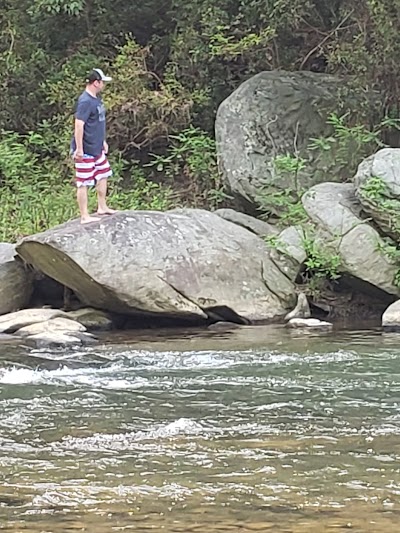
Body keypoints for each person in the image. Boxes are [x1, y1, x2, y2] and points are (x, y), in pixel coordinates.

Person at [71, 68, 116, 224]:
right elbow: (79, 124)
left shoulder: (96, 99)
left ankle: (102, 206)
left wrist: (102, 141)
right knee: (83, 181)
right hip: (86, 149)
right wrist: (79, 148)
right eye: (102, 82)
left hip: (97, 147)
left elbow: (97, 123)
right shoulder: (85, 101)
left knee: (103, 173)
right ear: (96, 82)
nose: (103, 84)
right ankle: (84, 215)